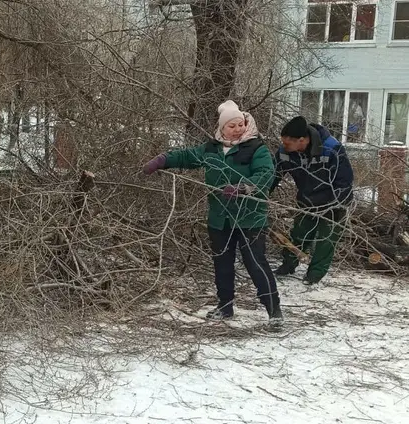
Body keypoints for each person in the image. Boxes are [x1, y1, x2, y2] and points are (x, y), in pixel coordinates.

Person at [142, 100, 282, 325]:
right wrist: (163, 160)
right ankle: (225, 307)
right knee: (222, 264)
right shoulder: (212, 148)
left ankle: (274, 311)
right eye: (231, 126)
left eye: (240, 124)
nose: (237, 129)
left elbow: (266, 175)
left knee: (256, 263)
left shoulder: (256, 148)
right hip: (220, 218)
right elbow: (187, 157)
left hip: (249, 218)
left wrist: (243, 187)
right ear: (222, 128)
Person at [271, 116, 354, 285]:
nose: (284, 147)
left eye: (288, 144)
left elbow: (345, 181)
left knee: (326, 240)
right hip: (307, 200)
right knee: (299, 234)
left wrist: (335, 205)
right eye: (283, 143)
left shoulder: (332, 149)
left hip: (334, 202)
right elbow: (272, 175)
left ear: (302, 141)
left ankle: (314, 275)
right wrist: (261, 193)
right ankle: (288, 264)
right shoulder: (285, 153)